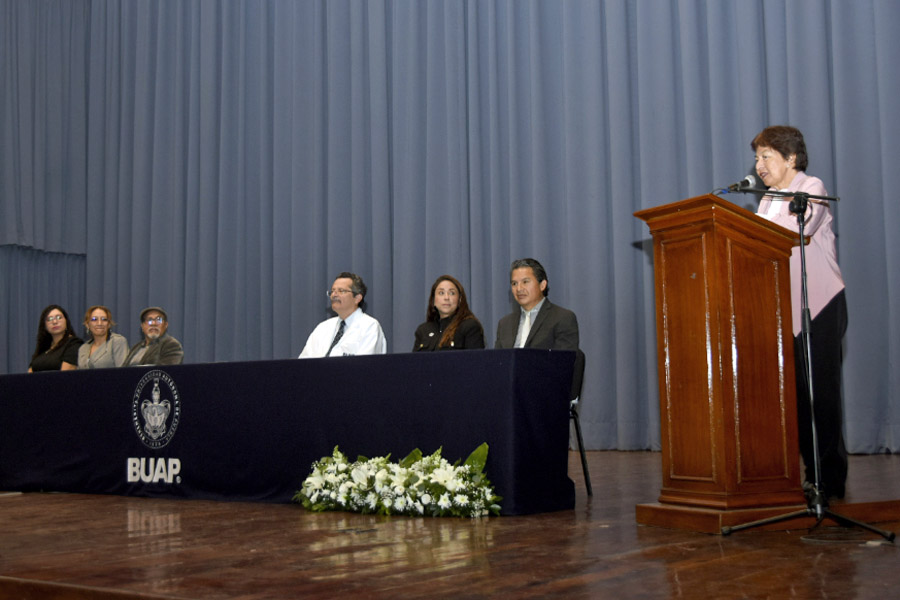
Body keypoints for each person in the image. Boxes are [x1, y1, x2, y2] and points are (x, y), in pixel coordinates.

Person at [752, 125, 847, 499]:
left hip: (818, 305)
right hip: (782, 308)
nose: (759, 165)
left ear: (791, 158)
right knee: (795, 397)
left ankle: (830, 478)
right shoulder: (765, 200)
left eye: (766, 156)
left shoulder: (812, 188)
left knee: (820, 394)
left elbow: (794, 232)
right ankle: (809, 473)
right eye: (757, 157)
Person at [495, 258, 579, 350]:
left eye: (525, 282)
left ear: (542, 285)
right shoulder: (505, 323)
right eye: (514, 283)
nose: (519, 289)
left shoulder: (562, 318)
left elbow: (563, 361)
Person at [299, 272, 386, 358]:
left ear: (357, 298)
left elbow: (366, 365)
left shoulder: (369, 326)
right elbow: (303, 363)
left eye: (341, 291)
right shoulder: (322, 328)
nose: (334, 295)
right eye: (332, 291)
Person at [413, 275, 485, 351]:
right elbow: (414, 362)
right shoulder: (423, 330)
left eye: (452, 293)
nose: (446, 298)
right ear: (433, 300)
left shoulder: (469, 327)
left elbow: (476, 361)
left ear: (460, 300)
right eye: (441, 293)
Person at [28, 305, 83, 372]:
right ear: (45, 326)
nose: (54, 322)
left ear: (66, 321)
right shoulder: (44, 346)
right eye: (49, 319)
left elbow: (66, 375)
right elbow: (30, 372)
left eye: (59, 317)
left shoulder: (74, 343)